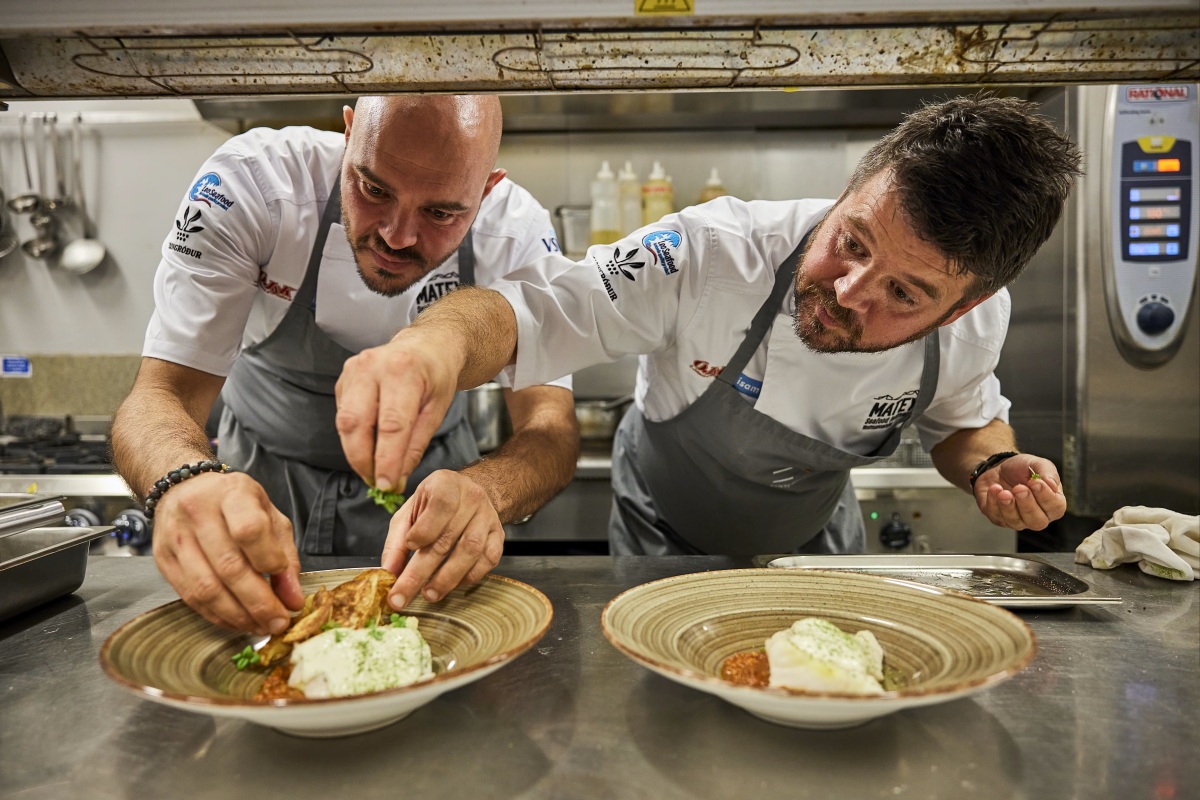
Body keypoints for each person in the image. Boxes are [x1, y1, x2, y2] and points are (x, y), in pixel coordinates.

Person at [335, 94, 1082, 559]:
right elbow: (536, 308)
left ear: (963, 307)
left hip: (817, 545)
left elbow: (965, 425)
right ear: (850, 191)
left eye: (903, 293)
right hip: (661, 536)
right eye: (851, 241)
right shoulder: (711, 253)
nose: (847, 291)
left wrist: (991, 466)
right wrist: (430, 346)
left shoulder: (974, 329)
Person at [111, 95, 580, 635]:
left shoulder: (517, 233)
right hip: (258, 490)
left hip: (432, 512)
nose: (397, 236)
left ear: (487, 191)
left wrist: (488, 492)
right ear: (349, 133)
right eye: (374, 189)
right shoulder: (253, 184)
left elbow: (551, 425)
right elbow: (159, 394)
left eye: (441, 213)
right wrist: (183, 482)